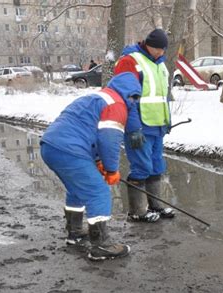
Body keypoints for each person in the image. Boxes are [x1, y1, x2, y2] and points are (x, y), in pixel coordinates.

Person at [40, 72, 141, 261]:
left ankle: (75, 232)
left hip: (50, 146)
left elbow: (86, 130)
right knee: (98, 191)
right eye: (134, 98)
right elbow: (109, 140)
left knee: (76, 189)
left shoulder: (96, 97)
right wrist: (111, 169)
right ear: (129, 94)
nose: (134, 103)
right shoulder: (117, 105)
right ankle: (101, 244)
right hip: (70, 149)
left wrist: (97, 162)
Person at [113, 28, 174, 223]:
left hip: (157, 124)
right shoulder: (130, 61)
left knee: (157, 166)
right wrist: (132, 128)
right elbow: (126, 98)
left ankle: (156, 205)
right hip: (140, 125)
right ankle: (138, 211)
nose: (162, 53)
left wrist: (167, 120)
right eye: (159, 49)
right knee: (142, 166)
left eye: (164, 49)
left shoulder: (160, 65)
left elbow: (163, 97)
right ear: (149, 45)